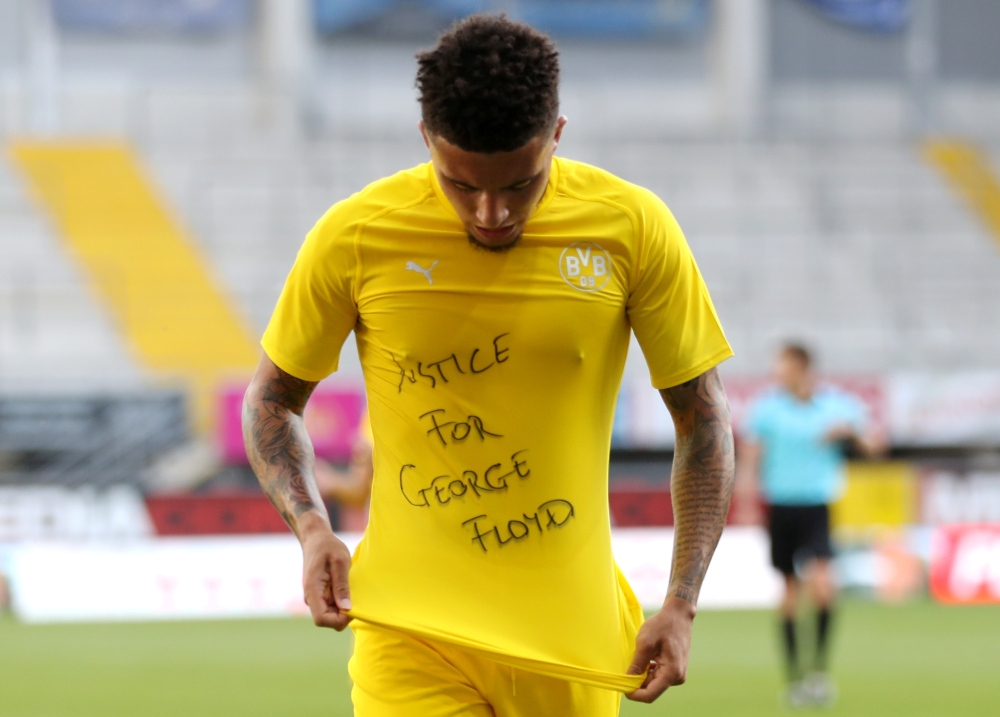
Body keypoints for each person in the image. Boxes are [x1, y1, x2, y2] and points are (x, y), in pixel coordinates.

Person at [243, 14, 735, 716]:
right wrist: (313, 526)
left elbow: (705, 419)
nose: (491, 211)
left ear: (557, 135)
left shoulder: (632, 228)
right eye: (461, 184)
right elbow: (271, 399)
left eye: (520, 184)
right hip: (411, 634)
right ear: (426, 142)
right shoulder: (356, 236)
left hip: (572, 643)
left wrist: (682, 603)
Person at [735, 343, 885, 708]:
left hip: (818, 505)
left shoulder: (836, 406)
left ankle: (818, 672)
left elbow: (875, 445)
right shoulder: (767, 409)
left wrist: (848, 434)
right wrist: (744, 501)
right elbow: (751, 457)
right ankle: (794, 677)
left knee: (822, 586)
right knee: (788, 591)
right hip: (781, 506)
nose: (777, 373)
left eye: (783, 366)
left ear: (802, 368)